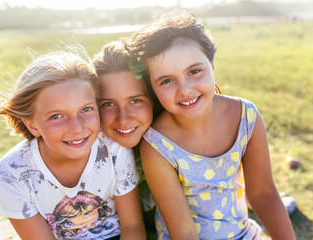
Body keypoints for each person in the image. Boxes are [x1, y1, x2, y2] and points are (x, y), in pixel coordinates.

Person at [125, 10, 296, 240]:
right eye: (166, 81)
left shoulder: (246, 117)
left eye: (194, 71)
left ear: (212, 66)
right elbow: (183, 232)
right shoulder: (157, 144)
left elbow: (264, 194)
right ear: (153, 88)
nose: (185, 90)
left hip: (243, 234)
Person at [0, 49, 146, 240]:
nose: (77, 128)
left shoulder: (113, 149)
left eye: (86, 109)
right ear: (32, 125)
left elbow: (133, 226)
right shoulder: (12, 174)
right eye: (57, 116)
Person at [91, 41, 156, 233]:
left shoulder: (170, 139)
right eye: (108, 104)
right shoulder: (88, 146)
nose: (123, 118)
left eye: (135, 101)